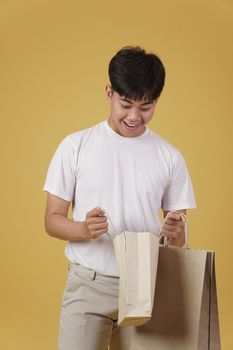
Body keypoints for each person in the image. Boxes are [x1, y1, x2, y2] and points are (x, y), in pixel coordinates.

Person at [43, 46, 196, 350]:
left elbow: (178, 238)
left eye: (146, 107)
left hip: (149, 287)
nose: (134, 116)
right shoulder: (75, 146)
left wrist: (178, 233)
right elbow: (51, 220)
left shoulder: (170, 157)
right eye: (125, 104)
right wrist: (82, 229)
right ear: (109, 93)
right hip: (89, 284)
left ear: (156, 102)